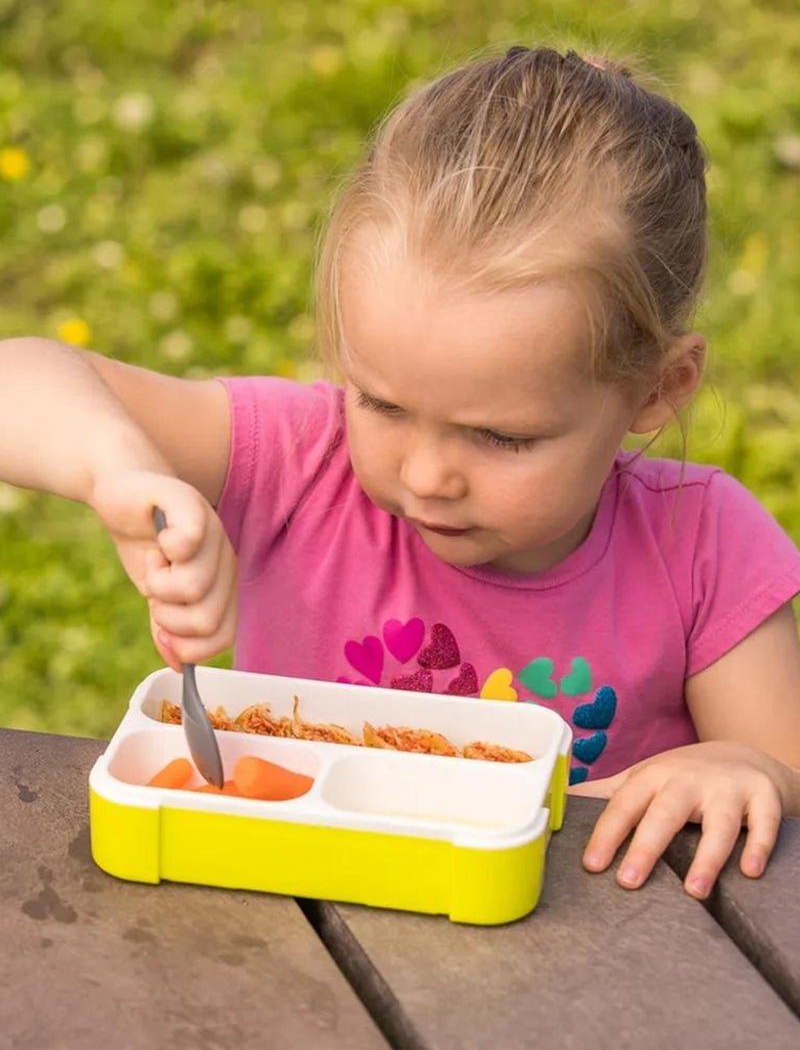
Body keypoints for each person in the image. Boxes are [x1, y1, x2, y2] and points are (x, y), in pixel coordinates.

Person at [2, 45, 800, 901]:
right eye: (381, 403)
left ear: (658, 387)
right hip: (285, 930)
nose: (426, 476)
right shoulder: (301, 463)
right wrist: (121, 472)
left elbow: (782, 773)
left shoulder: (703, 546)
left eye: (499, 437)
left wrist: (740, 769)